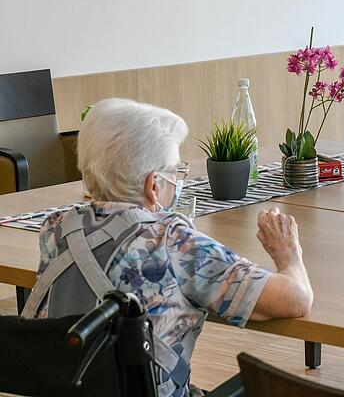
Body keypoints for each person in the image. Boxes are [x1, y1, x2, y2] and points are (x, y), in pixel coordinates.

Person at [21, 98, 313, 397]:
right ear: (154, 184)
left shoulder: (55, 229)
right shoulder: (172, 241)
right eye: (175, 173)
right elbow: (296, 299)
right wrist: (286, 252)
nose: (178, 182)